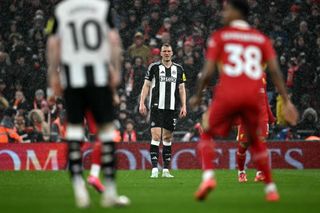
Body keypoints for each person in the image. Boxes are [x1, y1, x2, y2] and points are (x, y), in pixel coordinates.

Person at [189, 0, 298, 202]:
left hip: (229, 92)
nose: (223, 13)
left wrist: (198, 94)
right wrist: (287, 100)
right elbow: (274, 71)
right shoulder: (261, 39)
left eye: (226, 9)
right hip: (252, 97)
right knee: (257, 143)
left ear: (237, 12)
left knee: (206, 130)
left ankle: (208, 178)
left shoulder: (221, 36)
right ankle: (271, 189)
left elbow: (207, 72)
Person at [47, 0, 129, 208]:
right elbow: (113, 39)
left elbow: (54, 43)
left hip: (72, 80)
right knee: (107, 133)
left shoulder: (62, 9)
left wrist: (53, 75)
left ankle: (79, 191)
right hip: (98, 78)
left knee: (74, 133)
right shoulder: (102, 6)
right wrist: (116, 70)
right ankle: (109, 192)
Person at [139, 43, 187, 178]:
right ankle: (154, 168)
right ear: (161, 53)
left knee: (167, 138)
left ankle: (166, 170)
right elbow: (146, 85)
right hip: (156, 106)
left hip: (171, 108)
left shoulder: (179, 69)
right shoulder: (154, 67)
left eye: (168, 51)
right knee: (155, 136)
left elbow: (181, 88)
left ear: (172, 53)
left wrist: (184, 106)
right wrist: (142, 102)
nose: (166, 53)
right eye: (164, 51)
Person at [236, 72, 276, 183]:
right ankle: (241, 172)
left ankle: (260, 173)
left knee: (260, 144)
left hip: (261, 117)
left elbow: (265, 98)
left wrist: (270, 117)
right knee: (244, 145)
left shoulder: (263, 75)